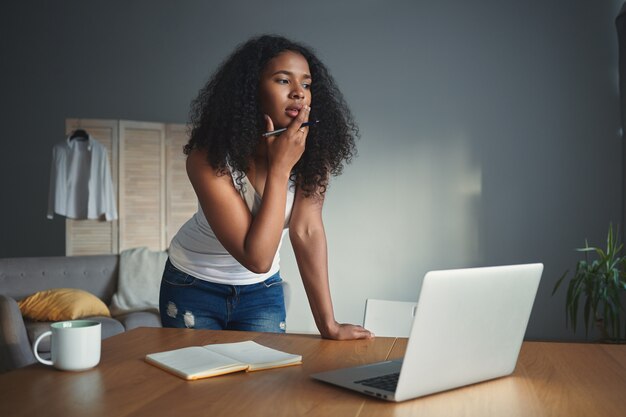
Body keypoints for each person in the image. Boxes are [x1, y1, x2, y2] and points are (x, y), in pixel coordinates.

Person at [159, 34, 372, 340]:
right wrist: (281, 167)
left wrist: (329, 324)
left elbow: (306, 231)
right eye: (284, 81)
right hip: (194, 284)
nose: (299, 93)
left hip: (262, 291)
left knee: (263, 387)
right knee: (203, 387)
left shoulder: (312, 156)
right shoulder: (209, 157)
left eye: (307, 84)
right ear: (252, 91)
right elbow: (256, 257)